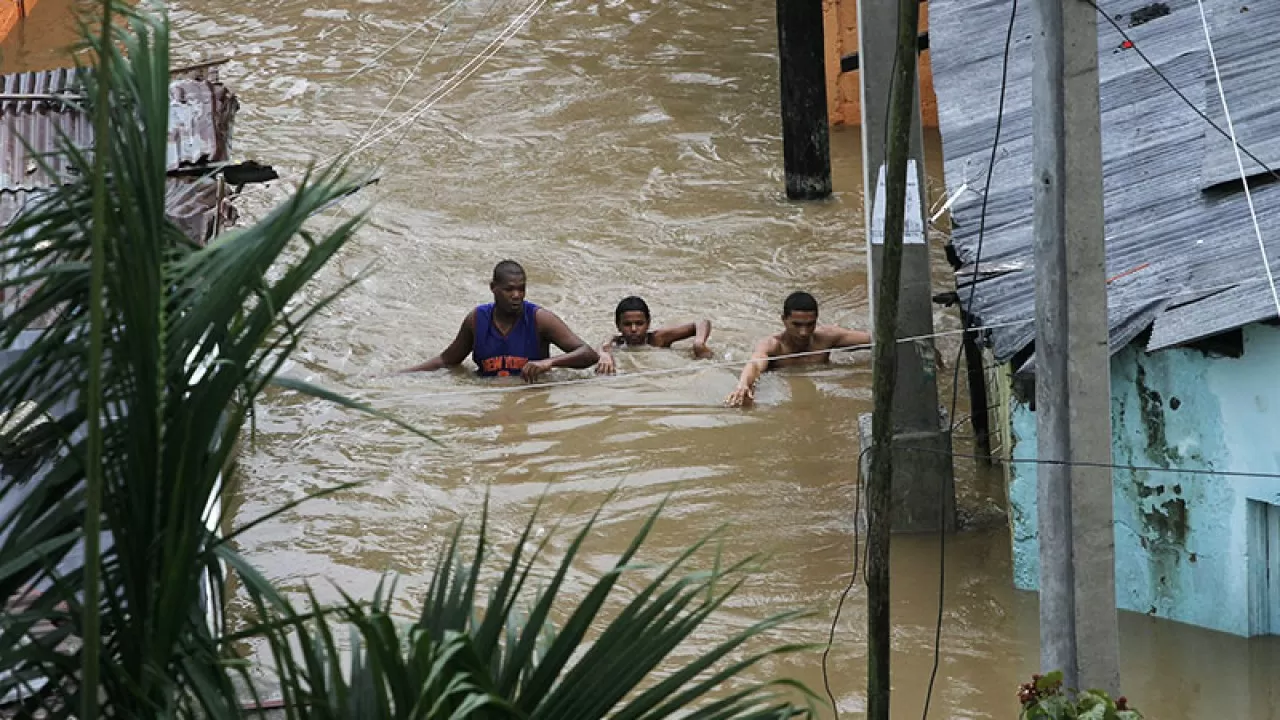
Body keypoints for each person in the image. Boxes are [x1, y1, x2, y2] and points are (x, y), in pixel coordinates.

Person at [401, 260, 599, 382]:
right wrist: (399, 375)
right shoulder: (476, 320)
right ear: (493, 288)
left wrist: (549, 363)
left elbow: (588, 354)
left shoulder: (541, 319)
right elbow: (447, 360)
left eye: (521, 289)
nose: (516, 295)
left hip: (530, 398)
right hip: (488, 396)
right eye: (509, 289)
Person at [723, 291, 872, 407]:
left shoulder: (828, 337)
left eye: (810, 324)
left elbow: (874, 340)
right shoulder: (774, 346)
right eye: (797, 324)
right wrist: (743, 385)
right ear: (784, 320)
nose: (804, 332)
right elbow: (755, 364)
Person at [595, 296, 713, 375]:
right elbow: (603, 346)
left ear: (648, 323)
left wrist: (699, 343)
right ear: (618, 325)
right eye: (627, 324)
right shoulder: (616, 342)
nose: (634, 329)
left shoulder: (658, 339)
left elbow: (702, 322)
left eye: (639, 323)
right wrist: (604, 355)